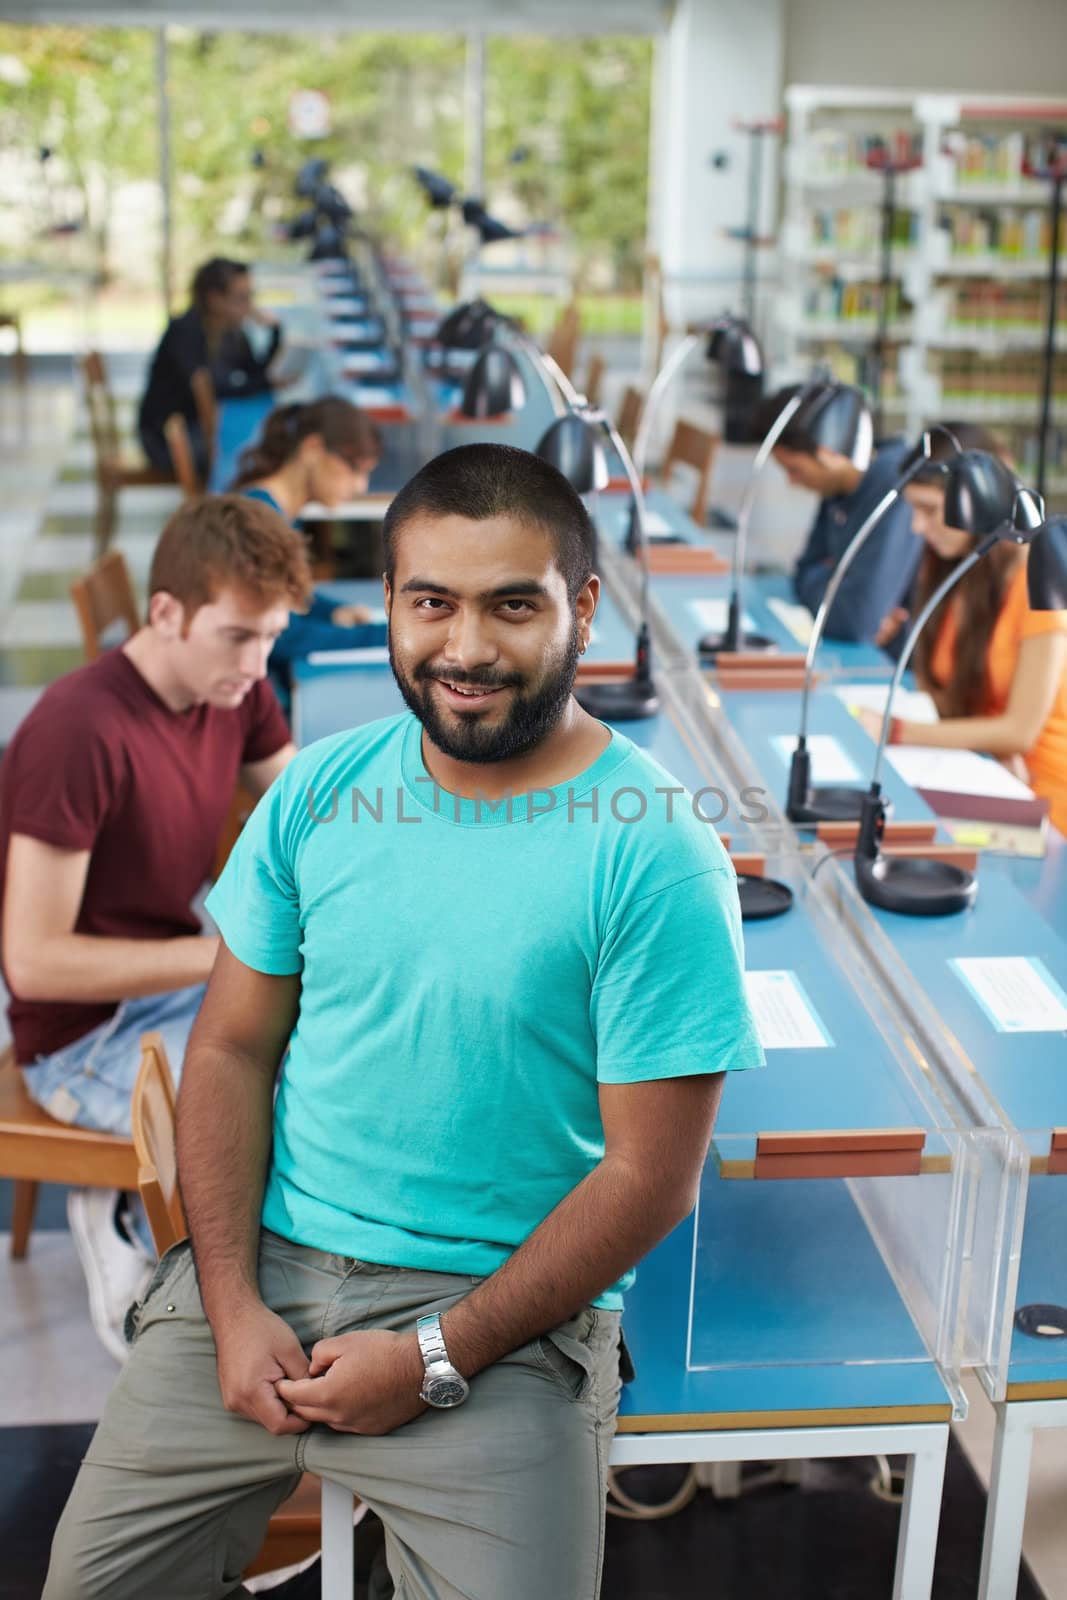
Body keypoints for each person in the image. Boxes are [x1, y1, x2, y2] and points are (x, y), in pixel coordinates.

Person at [43, 442, 763, 1600]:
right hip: (263, 1276)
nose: (466, 648)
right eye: (432, 602)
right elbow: (228, 1048)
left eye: (511, 606)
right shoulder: (318, 793)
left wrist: (433, 1355)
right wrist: (228, 1305)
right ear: (386, 600)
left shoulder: (656, 853)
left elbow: (649, 1179)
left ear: (581, 608)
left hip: (502, 1325)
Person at [0, 494, 310, 1360]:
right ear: (165, 613)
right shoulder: (78, 731)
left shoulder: (230, 691)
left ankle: (140, 1199)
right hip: (80, 1036)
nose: (257, 663)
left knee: (338, 1059)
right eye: (238, 636)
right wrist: (222, 953)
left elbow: (305, 808)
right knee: (276, 1115)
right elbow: (32, 965)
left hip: (173, 989)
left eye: (271, 638)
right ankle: (153, 1244)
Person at [858, 431, 1067, 836]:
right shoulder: (957, 570)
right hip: (984, 773)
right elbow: (940, 690)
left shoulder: (1036, 583)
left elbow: (1019, 732)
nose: (917, 527)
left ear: (982, 502)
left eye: (930, 510)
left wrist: (896, 730)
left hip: (1043, 798)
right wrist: (983, 747)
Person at [231, 396, 389, 695]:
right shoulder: (261, 524)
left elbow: (287, 593)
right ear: (313, 449)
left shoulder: (276, 511)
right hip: (260, 694)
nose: (361, 486)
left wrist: (331, 612)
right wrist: (384, 637)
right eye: (355, 469)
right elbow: (283, 637)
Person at [755, 385, 923, 647]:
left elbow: (855, 618)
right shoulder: (837, 487)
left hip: (894, 661)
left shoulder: (896, 488)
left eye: (795, 469)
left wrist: (832, 578)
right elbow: (803, 571)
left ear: (828, 453)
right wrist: (833, 583)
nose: (792, 482)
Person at [138, 257, 281, 478]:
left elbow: (254, 372)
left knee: (266, 440)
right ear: (215, 299)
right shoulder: (186, 332)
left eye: (251, 297)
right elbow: (215, 389)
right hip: (167, 439)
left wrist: (275, 333)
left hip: (198, 426)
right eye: (242, 298)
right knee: (256, 454)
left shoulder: (231, 330)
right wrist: (269, 383)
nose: (250, 306)